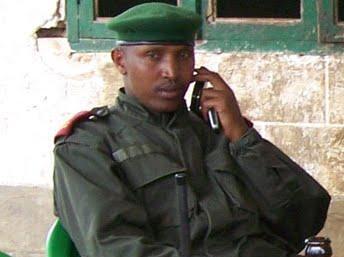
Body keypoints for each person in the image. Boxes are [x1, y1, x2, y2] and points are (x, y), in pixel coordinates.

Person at [53, 3, 331, 257]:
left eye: (183, 55)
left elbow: (305, 219)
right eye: (153, 55)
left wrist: (243, 138)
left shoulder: (218, 130)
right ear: (120, 61)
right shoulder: (89, 144)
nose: (172, 72)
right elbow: (116, 248)